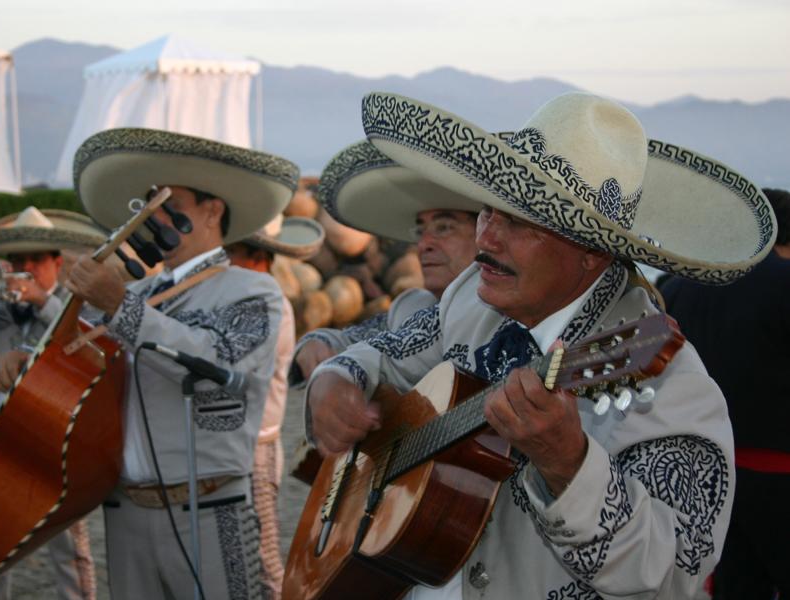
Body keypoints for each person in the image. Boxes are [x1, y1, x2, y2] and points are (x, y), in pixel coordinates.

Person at [302, 91, 777, 599]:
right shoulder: (469, 302)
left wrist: (569, 465)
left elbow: (671, 571)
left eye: (520, 221)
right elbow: (387, 353)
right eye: (487, 211)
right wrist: (337, 378)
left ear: (592, 252)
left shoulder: (670, 386)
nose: (487, 238)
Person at [60, 128, 296, 600]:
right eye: (151, 203)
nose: (157, 216)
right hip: (125, 509)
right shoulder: (140, 294)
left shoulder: (255, 291)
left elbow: (218, 363)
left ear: (214, 210)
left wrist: (118, 307)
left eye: (172, 203)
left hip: (210, 508)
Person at [0, 207, 103, 600]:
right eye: (17, 260)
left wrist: (44, 300)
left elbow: (89, 351)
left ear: (56, 263)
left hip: (52, 438)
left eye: (34, 259)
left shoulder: (75, 305)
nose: (24, 267)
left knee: (68, 550)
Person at [660, 187, 790, 600]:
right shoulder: (783, 283)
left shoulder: (675, 286)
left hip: (707, 479)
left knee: (736, 589)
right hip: (780, 474)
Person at [291, 140, 482, 385]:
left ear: (485, 235)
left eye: (444, 228)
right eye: (420, 231)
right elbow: (351, 338)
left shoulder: (504, 314)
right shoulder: (412, 306)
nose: (424, 244)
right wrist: (316, 342)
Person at [225, 213, 324, 599]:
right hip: (243, 445)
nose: (223, 262)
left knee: (263, 560)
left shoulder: (270, 304)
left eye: (230, 252)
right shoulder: (251, 299)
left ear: (255, 257)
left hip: (258, 448)